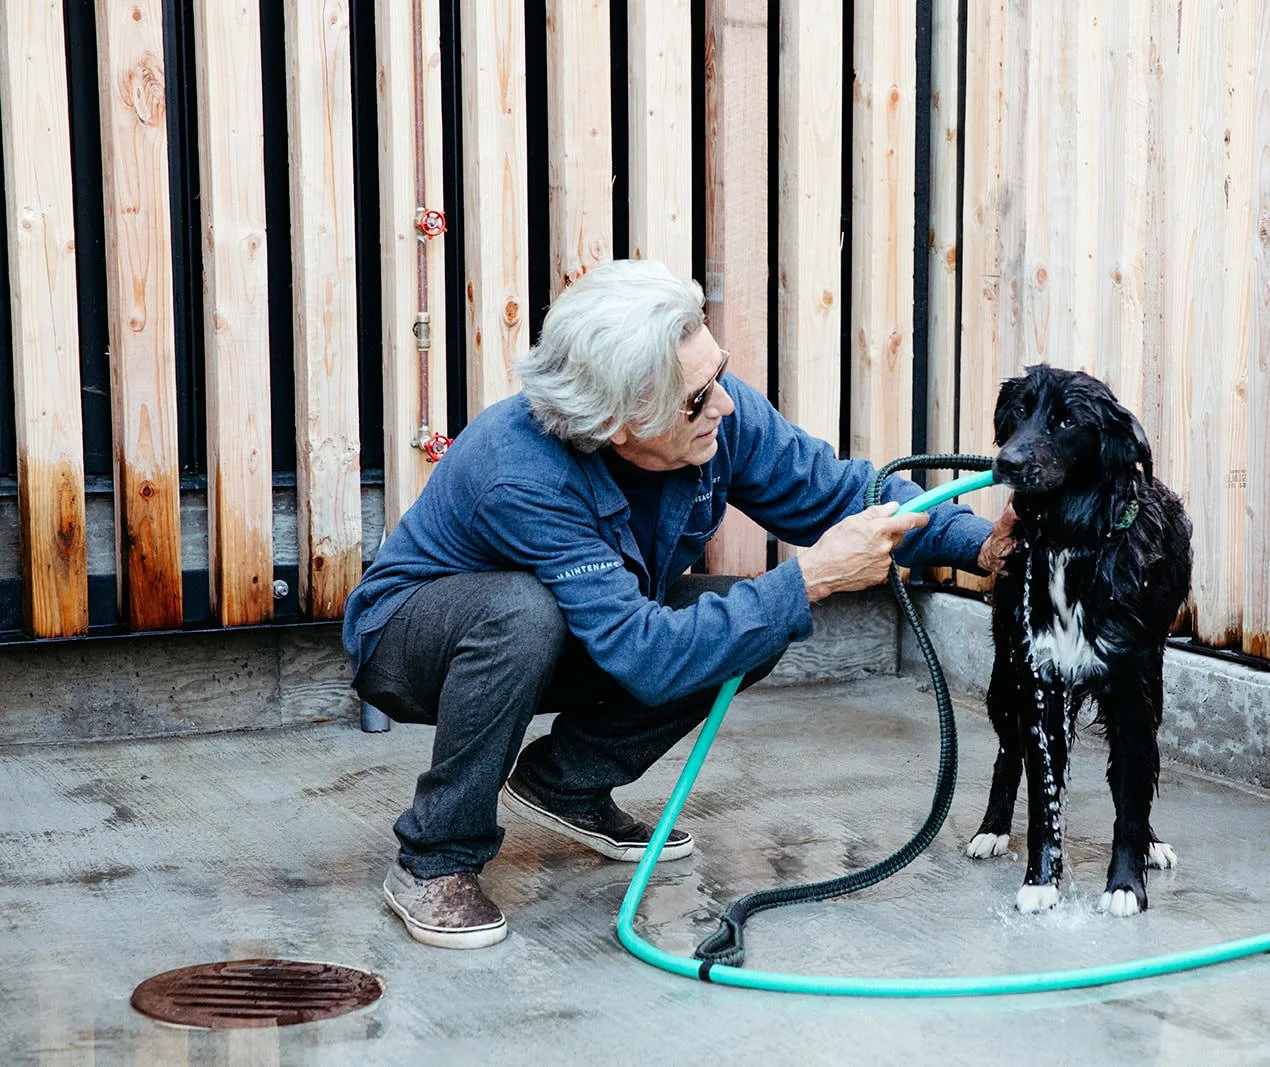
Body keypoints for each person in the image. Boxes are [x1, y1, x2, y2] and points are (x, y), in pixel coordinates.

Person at [344, 258, 1015, 948]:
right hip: (416, 638)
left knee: (748, 618)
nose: (722, 404)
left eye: (717, 374)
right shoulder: (521, 472)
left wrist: (981, 546)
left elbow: (843, 493)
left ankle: (564, 784)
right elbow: (646, 656)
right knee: (527, 612)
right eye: (696, 399)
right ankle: (435, 858)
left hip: (572, 626)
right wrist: (809, 578)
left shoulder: (716, 412)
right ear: (615, 423)